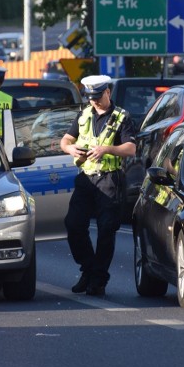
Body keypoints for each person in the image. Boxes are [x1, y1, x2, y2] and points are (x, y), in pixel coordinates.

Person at [60, 75, 136, 296]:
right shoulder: (84, 115)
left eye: (97, 97)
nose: (94, 101)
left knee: (106, 230)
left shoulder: (122, 117)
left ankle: (98, 280)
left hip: (109, 180)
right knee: (73, 225)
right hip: (85, 178)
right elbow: (65, 140)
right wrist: (70, 149)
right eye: (90, 97)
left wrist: (106, 149)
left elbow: (131, 149)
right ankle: (89, 268)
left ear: (108, 93)